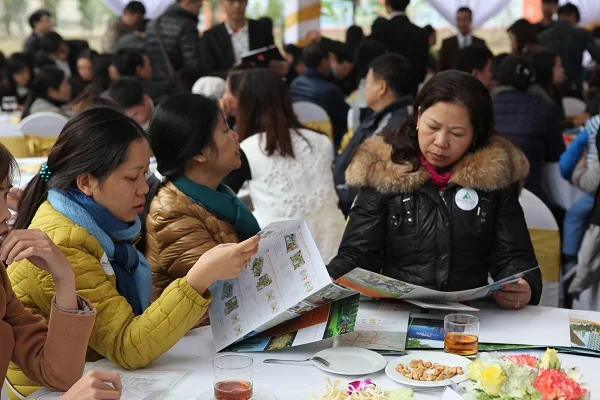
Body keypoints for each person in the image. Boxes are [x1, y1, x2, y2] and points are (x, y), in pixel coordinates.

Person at [7, 106, 260, 396]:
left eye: (145, 174)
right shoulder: (63, 243)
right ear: (86, 182)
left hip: (96, 374)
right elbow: (127, 347)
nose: (143, 188)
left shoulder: (103, 226)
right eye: (131, 178)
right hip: (50, 391)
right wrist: (199, 278)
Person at [327, 70, 543, 309]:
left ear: (475, 134)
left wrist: (524, 286)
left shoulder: (495, 177)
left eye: (457, 133)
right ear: (419, 117)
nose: (441, 142)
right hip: (398, 313)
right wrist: (327, 280)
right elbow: (357, 255)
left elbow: (514, 257)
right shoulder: (385, 167)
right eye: (433, 126)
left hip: (469, 318)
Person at [224, 69, 346, 263]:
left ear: (245, 105)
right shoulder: (321, 140)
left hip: (287, 262)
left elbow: (224, 200)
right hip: (337, 251)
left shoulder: (247, 150)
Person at [146, 94, 260, 299]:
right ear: (198, 153)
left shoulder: (214, 192)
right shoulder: (171, 213)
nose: (235, 136)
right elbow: (223, 293)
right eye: (225, 130)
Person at [334, 53, 414, 215]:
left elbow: (363, 185)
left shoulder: (394, 126)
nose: (364, 88)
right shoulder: (384, 116)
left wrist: (334, 193)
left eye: (367, 82)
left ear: (381, 87)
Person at [492, 56, 564, 203]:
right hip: (532, 194)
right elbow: (556, 154)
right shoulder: (545, 107)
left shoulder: (486, 105)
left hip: (490, 190)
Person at [290, 43, 350, 148]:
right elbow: (348, 118)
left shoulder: (295, 84)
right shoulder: (329, 91)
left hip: (299, 139)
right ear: (323, 62)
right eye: (330, 60)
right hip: (328, 143)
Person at [201, 0, 276, 79]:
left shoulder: (262, 30)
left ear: (247, 2)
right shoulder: (210, 36)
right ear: (222, 3)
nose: (237, 5)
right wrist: (233, 73)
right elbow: (206, 72)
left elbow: (274, 58)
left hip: (259, 85)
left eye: (241, 1)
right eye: (231, 1)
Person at [540, 3, 600, 98]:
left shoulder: (543, 36)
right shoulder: (582, 34)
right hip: (574, 86)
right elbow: (598, 56)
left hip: (549, 89)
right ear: (572, 16)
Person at [145, 0, 204, 87]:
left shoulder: (152, 24)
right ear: (187, 2)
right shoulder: (187, 26)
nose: (198, 11)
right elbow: (193, 65)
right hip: (178, 87)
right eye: (198, 7)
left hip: (154, 86)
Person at [383, 0, 429, 96]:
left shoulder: (382, 29)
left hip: (386, 89)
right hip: (412, 89)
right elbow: (423, 65)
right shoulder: (420, 33)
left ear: (387, 4)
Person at [438, 7, 486, 72]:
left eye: (465, 20)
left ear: (471, 20)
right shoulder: (447, 43)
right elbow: (441, 69)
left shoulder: (480, 43)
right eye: (459, 20)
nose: (462, 24)